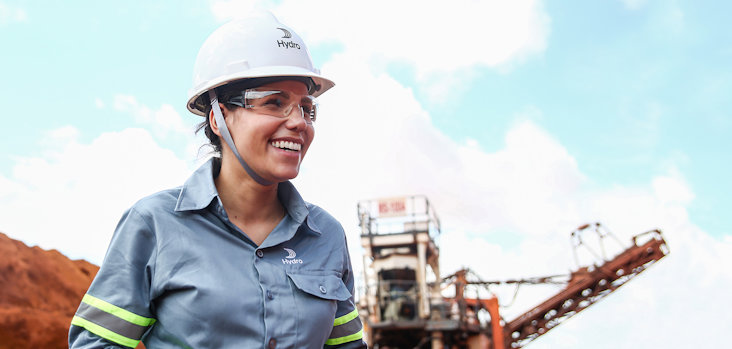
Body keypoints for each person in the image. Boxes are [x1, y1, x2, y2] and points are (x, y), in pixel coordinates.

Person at [69, 12, 366, 349]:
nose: (299, 122)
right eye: (275, 102)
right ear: (219, 117)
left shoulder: (326, 235)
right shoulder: (154, 224)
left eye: (305, 108)